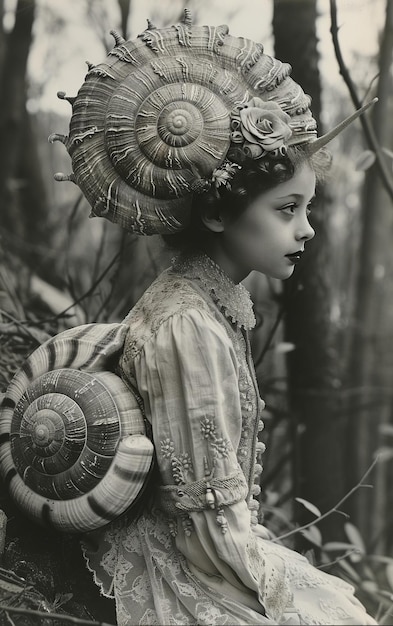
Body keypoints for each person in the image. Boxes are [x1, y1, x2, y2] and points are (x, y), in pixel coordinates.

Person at [51, 12, 378, 625]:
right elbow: (205, 526)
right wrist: (282, 591)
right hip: (184, 565)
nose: (306, 229)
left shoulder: (209, 308)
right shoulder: (186, 327)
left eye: (306, 208)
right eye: (286, 209)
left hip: (213, 552)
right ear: (220, 216)